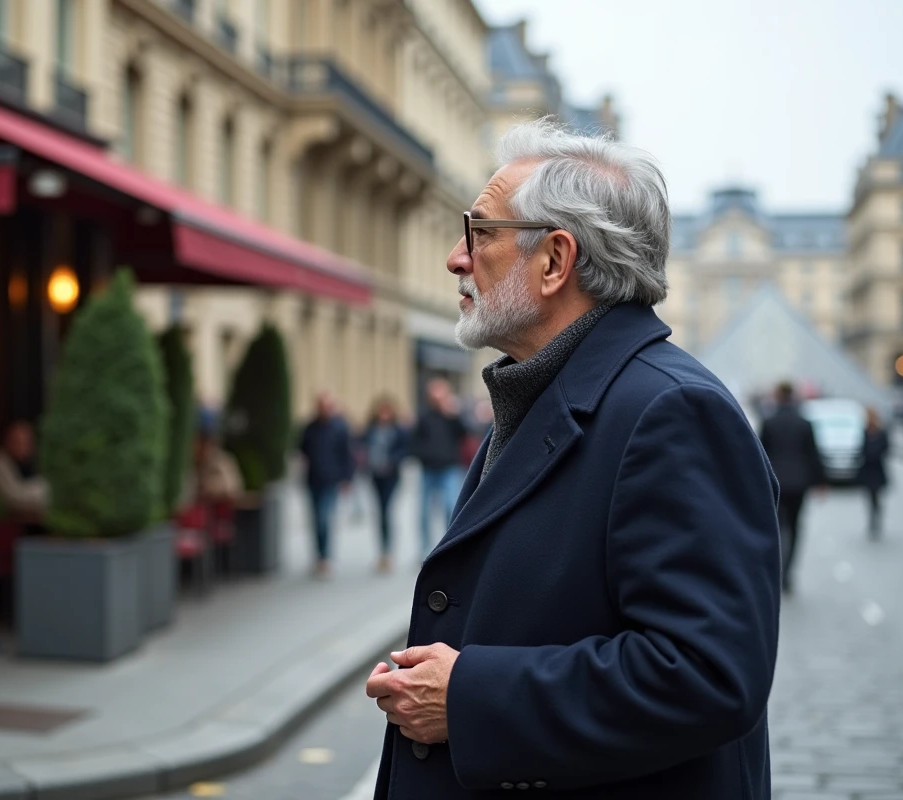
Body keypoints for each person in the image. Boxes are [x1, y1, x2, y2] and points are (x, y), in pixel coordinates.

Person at [364, 119, 780, 799]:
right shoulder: (543, 391)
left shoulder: (672, 411)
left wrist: (468, 696)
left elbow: (708, 674)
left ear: (555, 261)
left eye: (479, 232)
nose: (455, 258)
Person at [758, 380, 827, 594]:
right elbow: (813, 454)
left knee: (777, 528)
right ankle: (788, 572)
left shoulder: (769, 422)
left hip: (777, 483)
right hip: (799, 483)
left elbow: (760, 455)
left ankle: (777, 570)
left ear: (778, 397)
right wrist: (821, 481)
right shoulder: (804, 423)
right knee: (796, 527)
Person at [299, 392, 354, 578]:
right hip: (313, 479)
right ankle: (319, 556)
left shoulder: (339, 427)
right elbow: (302, 449)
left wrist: (347, 478)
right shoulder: (310, 427)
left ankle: (325, 556)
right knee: (315, 519)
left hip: (332, 479)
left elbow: (347, 454)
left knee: (324, 518)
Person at [410, 379, 468, 557]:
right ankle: (424, 548)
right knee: (424, 512)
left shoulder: (452, 415)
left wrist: (453, 414)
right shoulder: (424, 416)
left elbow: (465, 433)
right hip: (428, 469)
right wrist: (425, 455)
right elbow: (415, 442)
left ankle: (449, 544)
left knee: (451, 507)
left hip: (449, 468)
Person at [360, 396, 409, 573]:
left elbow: (405, 449)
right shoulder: (370, 428)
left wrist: (392, 461)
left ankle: (388, 553)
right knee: (380, 512)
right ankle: (382, 553)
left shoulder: (398, 430)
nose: (384, 415)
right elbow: (360, 445)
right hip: (375, 475)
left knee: (387, 511)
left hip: (391, 476)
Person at [0, 420, 50, 518]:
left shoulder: (30, 462)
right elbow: (13, 497)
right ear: (6, 440)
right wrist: (44, 491)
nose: (22, 446)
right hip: (7, 522)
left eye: (26, 442)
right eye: (16, 441)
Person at [857, 407, 890, 539]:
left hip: (877, 470)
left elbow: (886, 448)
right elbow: (861, 448)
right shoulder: (864, 431)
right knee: (869, 497)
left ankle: (876, 518)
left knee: (876, 496)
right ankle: (872, 519)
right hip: (867, 470)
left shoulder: (881, 433)